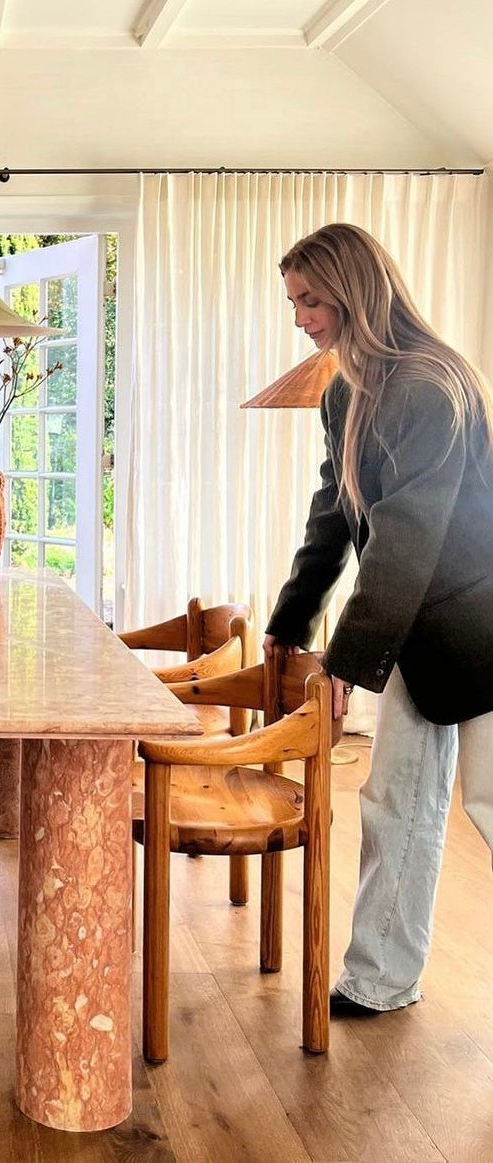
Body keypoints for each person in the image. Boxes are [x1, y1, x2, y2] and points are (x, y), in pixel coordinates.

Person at [264, 222, 493, 1015]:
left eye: (312, 300)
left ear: (355, 294)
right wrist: (290, 622)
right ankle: (381, 978)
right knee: (397, 799)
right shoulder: (344, 391)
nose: (300, 318)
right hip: (418, 632)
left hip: (480, 628)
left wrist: (342, 662)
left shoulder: (432, 387)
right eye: (294, 301)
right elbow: (335, 514)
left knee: (487, 803)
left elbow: (404, 536)